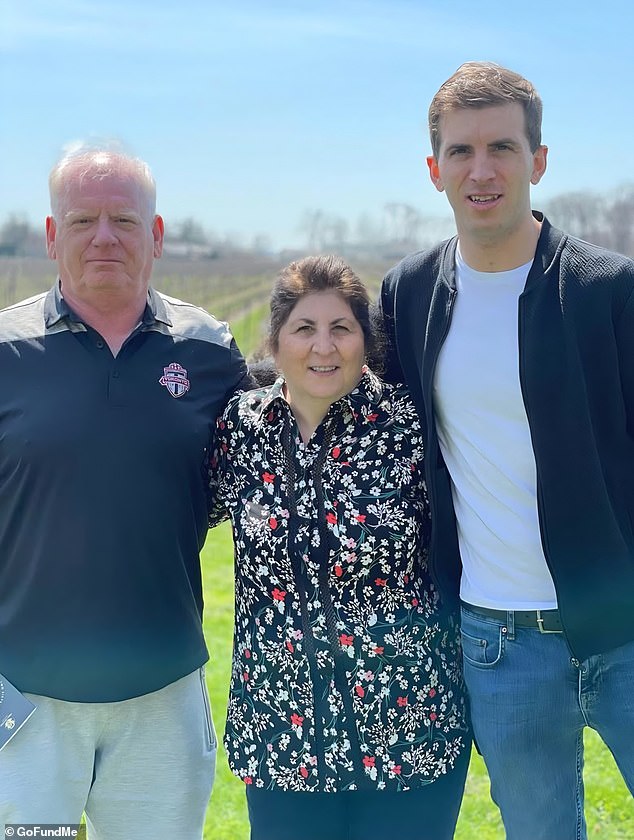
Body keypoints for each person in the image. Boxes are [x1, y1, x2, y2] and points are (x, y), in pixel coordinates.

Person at [380, 61, 634, 840]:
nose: (481, 170)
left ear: (539, 161)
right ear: (434, 170)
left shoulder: (608, 290)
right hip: (498, 643)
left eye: (502, 148)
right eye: (460, 151)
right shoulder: (408, 292)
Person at [0, 144, 250, 838]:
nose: (104, 237)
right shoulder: (5, 351)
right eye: (83, 221)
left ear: (157, 234)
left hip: (162, 694)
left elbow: (255, 477)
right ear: (52, 235)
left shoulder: (210, 350)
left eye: (124, 220)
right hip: (26, 699)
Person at [208, 255, 471, 840]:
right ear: (276, 340)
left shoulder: (411, 427)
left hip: (407, 727)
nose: (323, 347)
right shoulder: (240, 430)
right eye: (304, 328)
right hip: (281, 732)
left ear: (365, 341)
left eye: (341, 328)